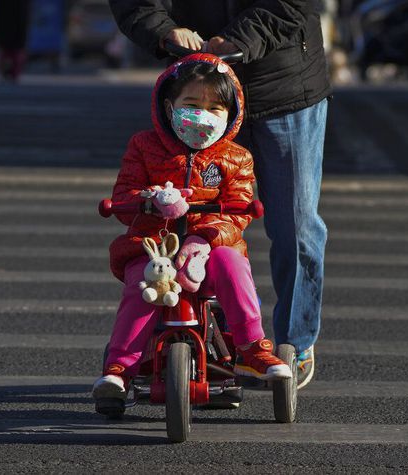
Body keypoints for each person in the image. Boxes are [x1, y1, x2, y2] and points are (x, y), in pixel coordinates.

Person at [109, 0, 331, 388]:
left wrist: (236, 41)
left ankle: (294, 340)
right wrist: (163, 31)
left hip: (284, 84)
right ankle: (227, 341)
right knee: (191, 217)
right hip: (200, 94)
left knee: (295, 226)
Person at [93, 53, 292, 401]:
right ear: (170, 107)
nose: (203, 114)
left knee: (234, 266)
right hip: (154, 245)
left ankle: (251, 348)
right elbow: (123, 196)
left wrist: (203, 237)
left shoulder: (236, 156)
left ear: (231, 114)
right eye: (192, 103)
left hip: (209, 249)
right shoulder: (144, 146)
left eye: (215, 107)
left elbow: (239, 211)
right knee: (143, 282)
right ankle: (120, 367)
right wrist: (150, 199)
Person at [0, 0, 31, 82]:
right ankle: (9, 71)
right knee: (9, 47)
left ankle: (12, 71)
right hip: (11, 12)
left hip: (12, 12)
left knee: (13, 47)